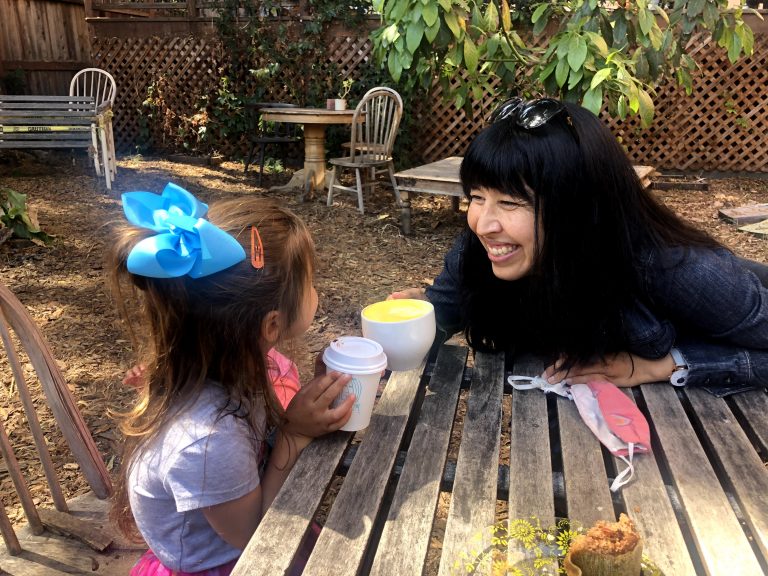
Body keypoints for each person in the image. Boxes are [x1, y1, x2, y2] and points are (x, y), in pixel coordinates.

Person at [392, 97, 768, 397]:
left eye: (510, 203)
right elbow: (439, 317)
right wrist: (415, 320)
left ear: (577, 207)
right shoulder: (479, 250)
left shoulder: (676, 269)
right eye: (476, 197)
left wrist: (662, 365)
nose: (484, 224)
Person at [109, 183, 354, 575]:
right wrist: (294, 433)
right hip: (228, 561)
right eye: (310, 281)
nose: (316, 289)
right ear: (272, 324)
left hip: (239, 518)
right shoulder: (206, 440)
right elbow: (254, 535)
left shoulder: (232, 362)